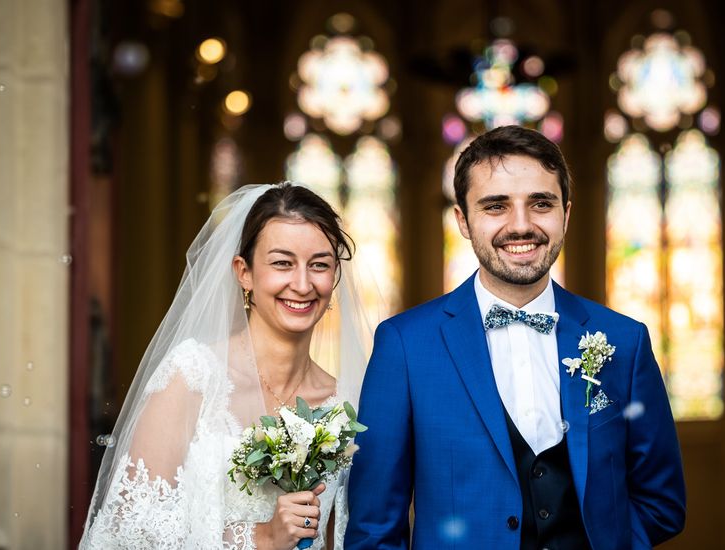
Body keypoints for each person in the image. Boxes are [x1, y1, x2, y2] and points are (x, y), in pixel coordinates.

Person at [345, 125, 686, 549]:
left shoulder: (624, 341)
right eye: (495, 206)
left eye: (541, 203)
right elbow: (374, 528)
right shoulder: (405, 346)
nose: (521, 225)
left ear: (566, 213)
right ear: (463, 221)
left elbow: (662, 503)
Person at [80, 183, 370, 550]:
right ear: (243, 272)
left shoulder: (343, 405)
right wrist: (261, 537)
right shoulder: (193, 376)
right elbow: (127, 533)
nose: (302, 284)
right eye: (282, 263)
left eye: (319, 265)